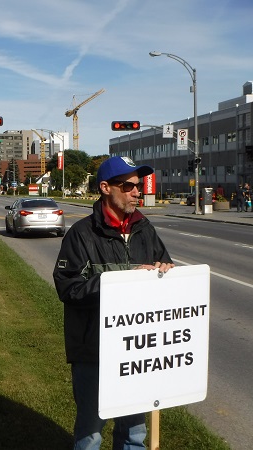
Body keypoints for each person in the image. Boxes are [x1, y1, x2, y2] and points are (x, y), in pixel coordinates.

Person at [53, 156, 175, 450]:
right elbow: (68, 288)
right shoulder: (81, 234)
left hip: (136, 351)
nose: (137, 191)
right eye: (129, 185)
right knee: (90, 431)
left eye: (138, 185)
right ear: (106, 187)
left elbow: (165, 264)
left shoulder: (145, 229)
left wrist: (167, 272)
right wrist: (124, 278)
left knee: (134, 432)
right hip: (94, 351)